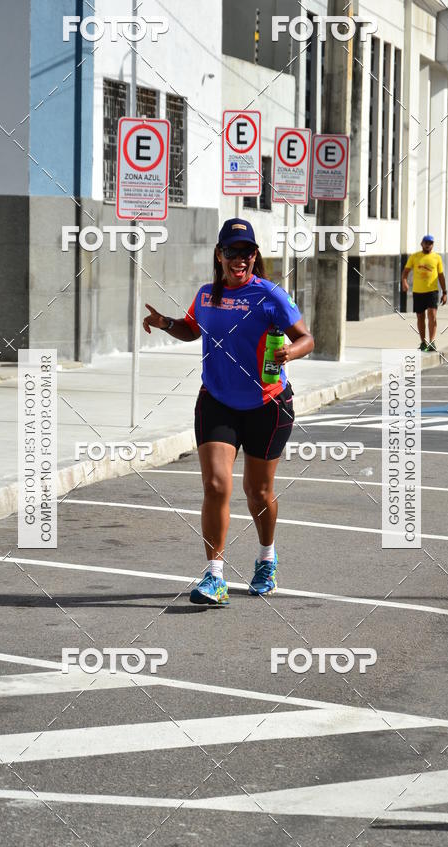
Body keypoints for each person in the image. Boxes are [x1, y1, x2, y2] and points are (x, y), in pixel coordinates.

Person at [143, 218, 314, 606]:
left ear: (255, 256)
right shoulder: (206, 295)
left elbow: (306, 337)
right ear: (219, 255)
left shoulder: (270, 295)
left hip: (268, 405)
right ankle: (214, 576)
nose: (240, 259)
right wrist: (165, 322)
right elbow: (192, 328)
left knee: (258, 490)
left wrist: (291, 351)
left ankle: (266, 557)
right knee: (216, 485)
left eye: (247, 252)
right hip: (217, 400)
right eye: (232, 251)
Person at [401, 235, 447, 352]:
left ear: (433, 245)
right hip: (418, 291)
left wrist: (444, 292)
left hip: (432, 291)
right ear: (421, 244)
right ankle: (423, 342)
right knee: (420, 317)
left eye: (430, 243)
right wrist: (404, 282)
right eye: (426, 242)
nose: (428, 245)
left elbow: (441, 275)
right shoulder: (415, 257)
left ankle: (432, 342)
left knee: (432, 315)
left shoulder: (437, 258)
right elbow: (406, 272)